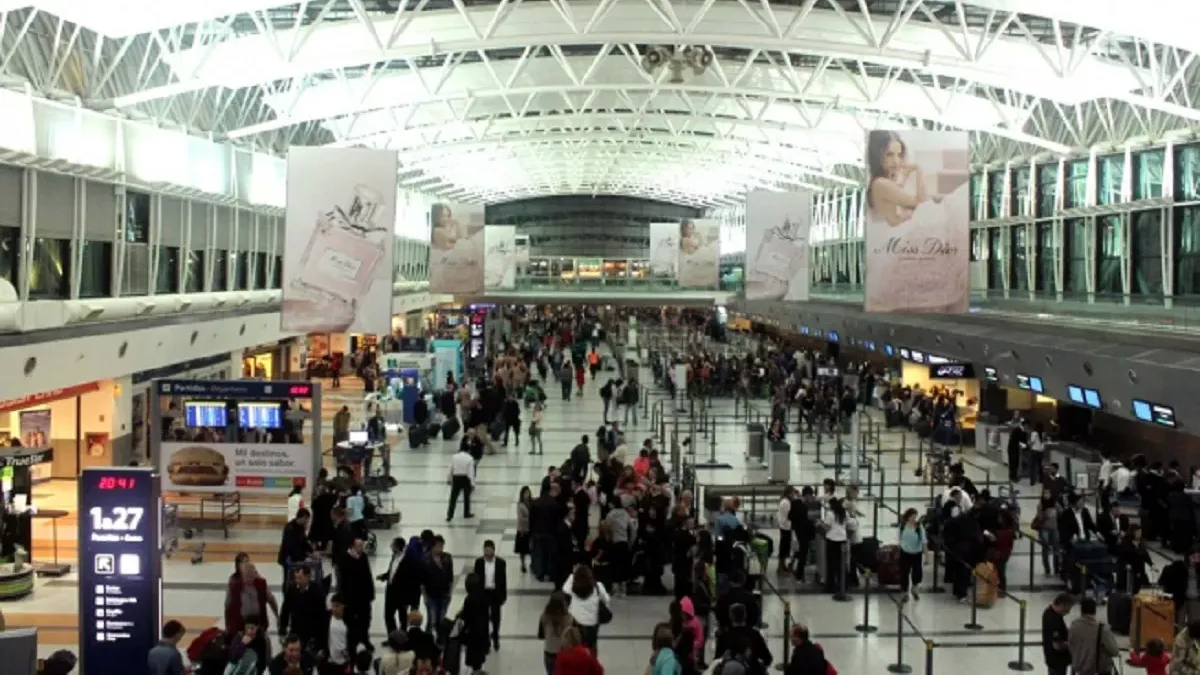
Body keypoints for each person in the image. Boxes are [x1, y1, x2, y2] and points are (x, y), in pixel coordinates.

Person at [278, 565, 328, 652]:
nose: (297, 581)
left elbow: (322, 616)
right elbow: (286, 609)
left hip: (312, 632)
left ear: (308, 576)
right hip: (296, 630)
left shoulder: (317, 591)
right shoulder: (292, 589)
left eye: (300, 578)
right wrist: (283, 628)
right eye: (296, 578)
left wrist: (321, 640)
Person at [563, 564, 610, 654]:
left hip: (576, 623)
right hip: (593, 623)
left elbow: (564, 589)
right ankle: (591, 662)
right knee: (592, 644)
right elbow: (606, 599)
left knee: (576, 645)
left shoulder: (573, 587)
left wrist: (573, 574)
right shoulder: (597, 586)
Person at [1067, 597, 1119, 675]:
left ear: (1081, 610)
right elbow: (1114, 651)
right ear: (1095, 610)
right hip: (1098, 670)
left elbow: (1070, 645)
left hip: (1079, 670)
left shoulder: (1073, 626)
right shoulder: (1102, 629)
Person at [474, 540, 508, 651]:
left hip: (495, 593)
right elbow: (476, 579)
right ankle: (486, 641)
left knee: (496, 618)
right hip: (483, 593)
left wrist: (503, 595)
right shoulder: (479, 562)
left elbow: (503, 580)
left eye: (489, 550)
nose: (487, 552)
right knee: (483, 618)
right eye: (485, 550)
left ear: (493, 550)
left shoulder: (500, 563)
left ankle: (496, 638)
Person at [458, 573, 492, 675]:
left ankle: (475, 671)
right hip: (483, 631)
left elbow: (467, 616)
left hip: (473, 632)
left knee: (474, 656)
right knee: (479, 655)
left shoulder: (469, 599)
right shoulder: (484, 597)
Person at [423, 536, 454, 638]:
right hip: (431, 595)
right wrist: (425, 596)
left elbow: (450, 577)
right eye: (438, 546)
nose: (440, 548)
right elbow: (422, 581)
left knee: (441, 619)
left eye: (442, 546)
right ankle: (428, 638)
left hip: (444, 594)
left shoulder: (447, 558)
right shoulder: (426, 560)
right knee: (432, 618)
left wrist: (450, 592)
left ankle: (441, 639)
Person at [539, 592, 573, 675]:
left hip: (549, 653)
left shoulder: (544, 617)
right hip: (564, 653)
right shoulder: (569, 618)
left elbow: (541, 635)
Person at [1041, 593, 1073, 675]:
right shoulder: (1054, 620)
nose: (1068, 612)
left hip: (1052, 659)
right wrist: (1072, 644)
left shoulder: (1048, 611)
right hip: (1057, 661)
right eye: (1067, 609)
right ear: (1062, 605)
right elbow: (1057, 645)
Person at [898, 507, 926, 602]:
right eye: (912, 517)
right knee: (904, 572)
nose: (914, 519)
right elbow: (900, 538)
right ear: (908, 517)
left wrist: (926, 556)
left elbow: (924, 541)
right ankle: (904, 591)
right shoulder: (903, 526)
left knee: (917, 572)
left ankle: (914, 588)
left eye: (915, 517)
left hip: (916, 553)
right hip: (905, 552)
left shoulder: (919, 527)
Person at [447, 444, 476, 522]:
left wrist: (449, 478)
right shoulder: (470, 458)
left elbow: (451, 468)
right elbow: (471, 472)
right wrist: (472, 483)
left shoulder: (455, 457)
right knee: (466, 497)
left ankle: (449, 515)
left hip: (456, 477)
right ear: (468, 450)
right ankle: (466, 513)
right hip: (465, 478)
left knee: (453, 497)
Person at [776, 487, 793, 574]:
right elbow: (789, 515)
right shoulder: (786, 502)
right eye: (792, 493)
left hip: (784, 526)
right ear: (789, 493)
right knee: (784, 547)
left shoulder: (784, 501)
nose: (793, 495)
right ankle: (781, 568)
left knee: (784, 547)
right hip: (786, 526)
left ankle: (782, 567)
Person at [516, 487, 533, 573]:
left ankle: (532, 563)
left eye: (528, 493)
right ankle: (523, 564)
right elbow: (521, 519)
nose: (527, 495)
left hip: (530, 529)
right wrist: (530, 519)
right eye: (525, 493)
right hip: (522, 530)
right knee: (522, 549)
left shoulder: (532, 503)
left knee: (531, 547)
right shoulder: (520, 505)